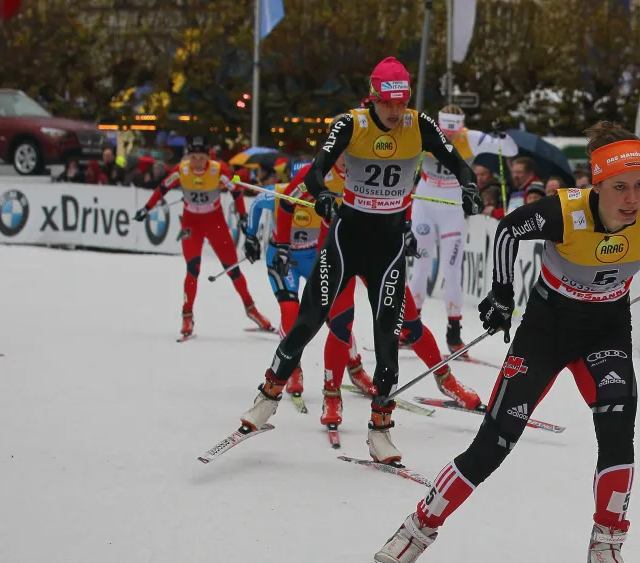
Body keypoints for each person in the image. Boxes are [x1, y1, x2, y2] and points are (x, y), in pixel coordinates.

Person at [371, 121, 640, 563]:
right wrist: (500, 293)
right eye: (619, 187)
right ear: (594, 185)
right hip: (546, 330)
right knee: (495, 443)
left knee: (619, 429)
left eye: (639, 185)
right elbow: (507, 231)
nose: (632, 199)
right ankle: (415, 531)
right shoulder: (566, 212)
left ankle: (606, 546)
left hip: (606, 330)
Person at [237, 57, 482, 465]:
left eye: (400, 103)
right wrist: (323, 196)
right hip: (345, 240)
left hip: (387, 249)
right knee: (307, 323)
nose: (394, 112)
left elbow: (456, 161)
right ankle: (267, 397)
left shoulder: (418, 124)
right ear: (373, 98)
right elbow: (316, 172)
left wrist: (469, 185)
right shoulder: (351, 124)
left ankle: (380, 431)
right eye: (387, 104)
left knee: (388, 339)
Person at [134, 136, 271, 338]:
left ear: (208, 156)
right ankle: (187, 315)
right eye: (194, 157)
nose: (197, 162)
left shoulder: (217, 169)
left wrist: (242, 216)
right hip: (191, 225)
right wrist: (146, 208)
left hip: (215, 224)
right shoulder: (183, 170)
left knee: (233, 269)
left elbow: (236, 191)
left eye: (201, 158)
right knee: (192, 268)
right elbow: (162, 188)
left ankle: (251, 309)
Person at [410, 106, 518, 351]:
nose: (448, 137)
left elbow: (510, 150)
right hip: (425, 203)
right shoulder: (426, 133)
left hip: (452, 207)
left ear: (461, 126)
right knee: (421, 266)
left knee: (452, 270)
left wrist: (503, 136)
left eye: (453, 132)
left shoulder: (471, 138)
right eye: (444, 130)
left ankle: (453, 333)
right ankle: (411, 328)